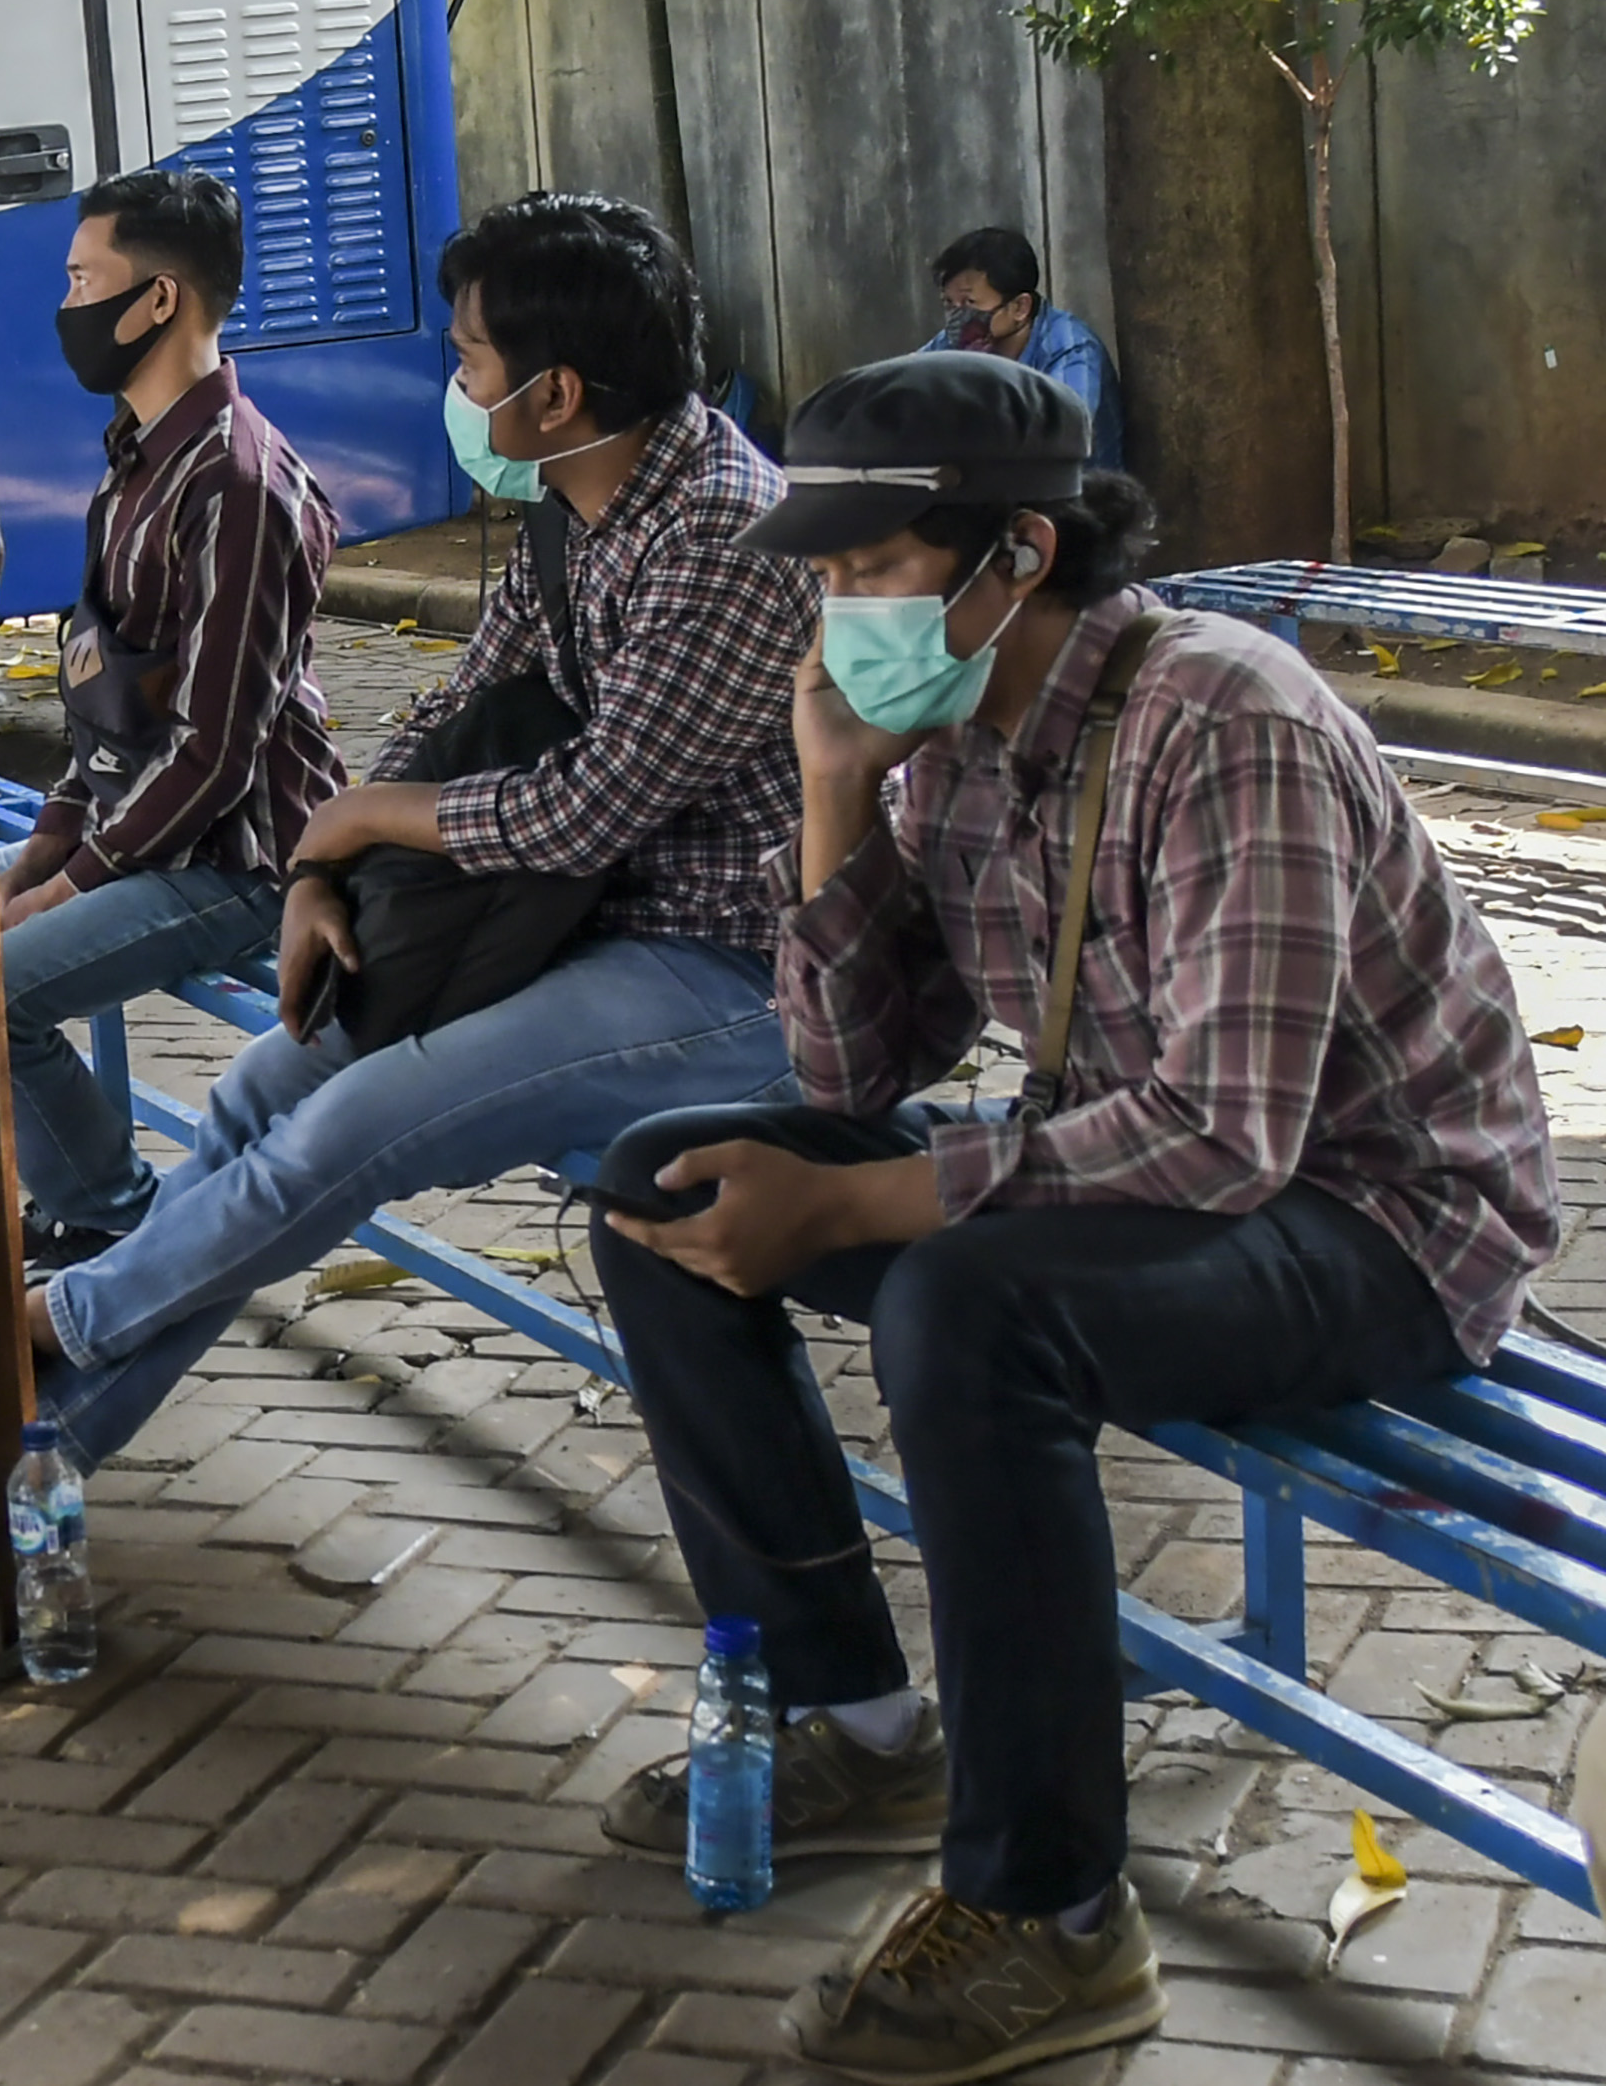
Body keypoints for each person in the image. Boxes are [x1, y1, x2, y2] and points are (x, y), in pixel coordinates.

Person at [582, 352, 1557, 2085]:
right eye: (822, 573)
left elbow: (1226, 1133)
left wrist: (862, 1200)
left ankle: (1053, 1911)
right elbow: (857, 1058)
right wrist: (830, 792)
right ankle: (852, 1719)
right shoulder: (952, 733)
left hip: (1383, 1222)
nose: (833, 611)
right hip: (1153, 1177)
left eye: (866, 570)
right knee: (664, 1178)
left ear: (1012, 554)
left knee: (964, 1309)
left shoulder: (1220, 718)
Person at [0, 191, 812, 1452]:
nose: (453, 380)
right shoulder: (578, 501)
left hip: (718, 965)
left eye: (468, 357)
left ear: (552, 393)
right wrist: (318, 875)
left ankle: (33, 1333)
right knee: (255, 1097)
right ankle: (48, 1446)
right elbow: (451, 707)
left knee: (350, 1122)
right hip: (542, 920)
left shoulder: (724, 529)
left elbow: (585, 806)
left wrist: (349, 821)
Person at [0, 170, 344, 1266]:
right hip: (140, 827)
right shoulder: (134, 458)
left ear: (156, 300)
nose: (65, 306)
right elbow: (106, 687)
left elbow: (215, 749)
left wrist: (64, 881)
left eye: (80, 279)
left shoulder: (241, 486)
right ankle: (91, 1202)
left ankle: (109, 1212)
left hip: (239, 856)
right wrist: (49, 835)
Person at [925, 226, 1123, 472]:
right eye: (949, 304)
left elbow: (1062, 436)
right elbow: (904, 386)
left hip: (1078, 498)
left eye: (969, 303)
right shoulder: (958, 339)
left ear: (1020, 307)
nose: (958, 316)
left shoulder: (1070, 348)